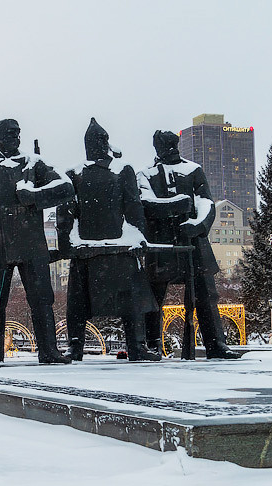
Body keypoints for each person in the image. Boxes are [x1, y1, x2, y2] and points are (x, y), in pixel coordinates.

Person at [0, 118, 75, 364]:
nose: (15, 137)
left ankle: (49, 350)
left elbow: (66, 188)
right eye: (10, 133)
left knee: (42, 299)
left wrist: (34, 196)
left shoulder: (33, 163)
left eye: (17, 133)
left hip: (31, 243)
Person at [56, 118, 160, 362]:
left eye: (103, 139)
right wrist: (67, 243)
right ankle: (75, 345)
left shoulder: (122, 170)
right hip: (87, 250)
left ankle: (137, 345)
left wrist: (137, 237)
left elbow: (134, 207)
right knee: (78, 303)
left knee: (132, 302)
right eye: (96, 140)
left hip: (120, 247)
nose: (101, 144)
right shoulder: (74, 174)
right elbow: (66, 212)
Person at [137, 130, 240, 359]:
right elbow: (145, 204)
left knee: (206, 295)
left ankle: (215, 343)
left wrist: (198, 225)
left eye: (173, 145)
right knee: (153, 298)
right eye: (166, 146)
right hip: (161, 245)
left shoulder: (193, 170)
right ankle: (152, 344)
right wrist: (177, 206)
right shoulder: (145, 175)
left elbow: (206, 203)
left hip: (194, 245)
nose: (171, 149)